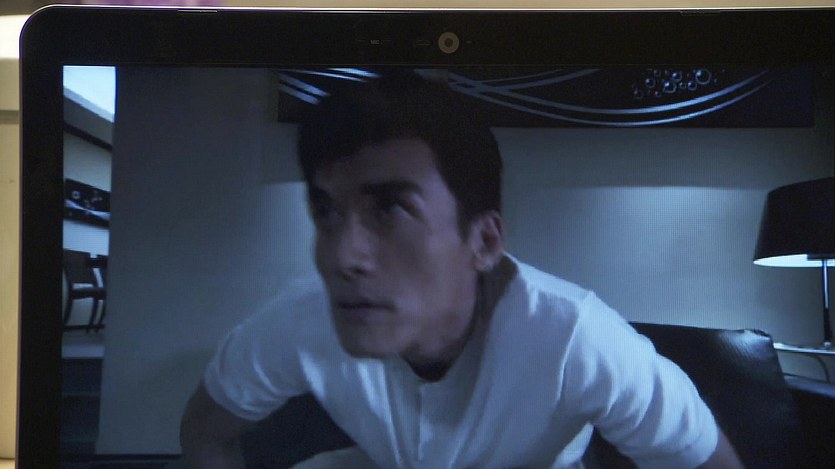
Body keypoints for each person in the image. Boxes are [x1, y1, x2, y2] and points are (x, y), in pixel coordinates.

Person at [180, 70, 743, 468]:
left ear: (484, 241)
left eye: (389, 209)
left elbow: (707, 461)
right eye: (326, 212)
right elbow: (204, 432)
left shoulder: (576, 336)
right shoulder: (304, 319)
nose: (343, 256)